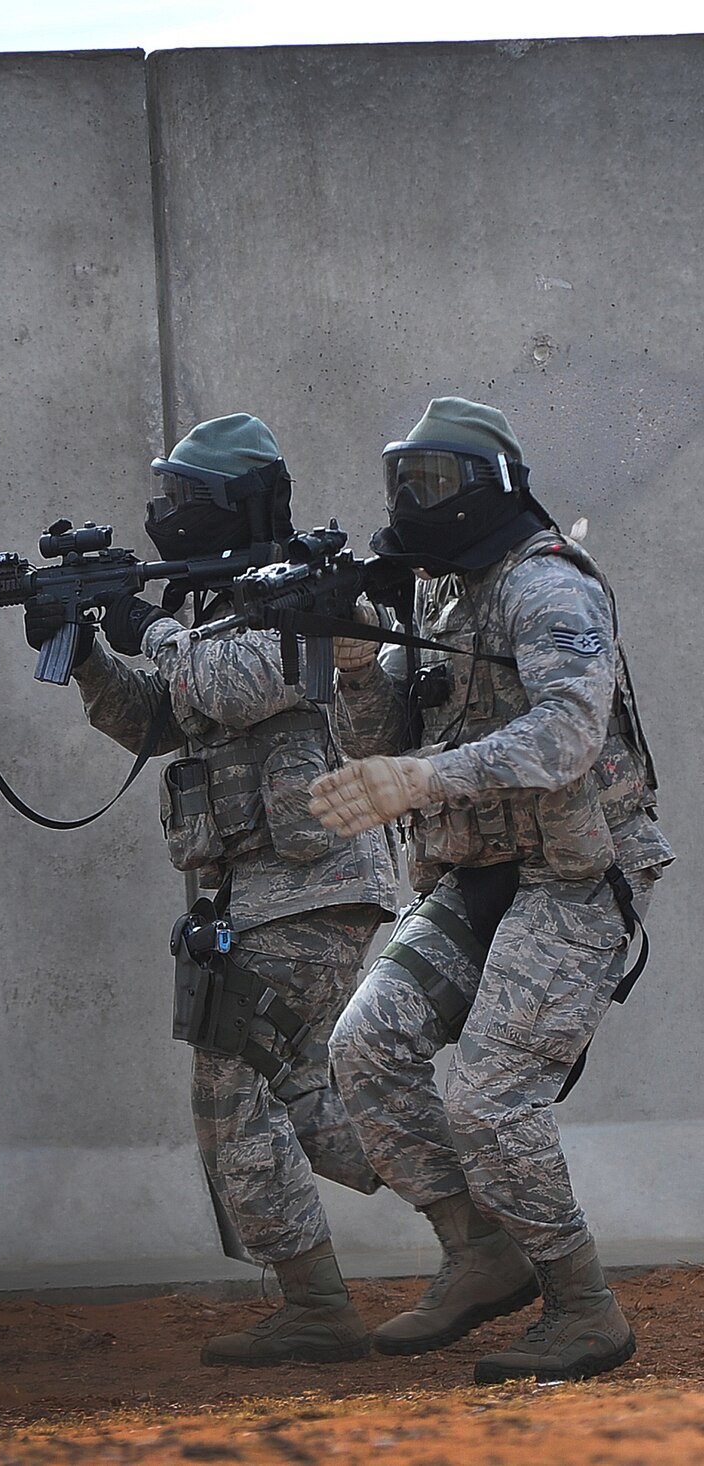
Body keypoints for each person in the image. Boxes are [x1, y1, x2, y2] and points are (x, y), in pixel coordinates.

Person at [27, 414, 400, 1366]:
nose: (168, 516)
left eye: (188, 499)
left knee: (231, 1086)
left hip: (310, 885)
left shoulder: (299, 597)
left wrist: (140, 620)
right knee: (316, 1101)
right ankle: (490, 1214)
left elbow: (233, 688)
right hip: (253, 895)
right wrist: (87, 656)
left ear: (237, 504)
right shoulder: (200, 614)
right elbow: (160, 720)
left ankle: (320, 1305)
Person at [314, 397, 671, 1383]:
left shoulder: (547, 586)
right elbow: (378, 736)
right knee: (364, 1047)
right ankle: (481, 1249)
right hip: (475, 874)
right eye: (402, 478)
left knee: (484, 1095)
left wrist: (424, 778)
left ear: (485, 489)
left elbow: (564, 736)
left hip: (570, 875)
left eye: (431, 481)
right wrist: (350, 662)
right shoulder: (440, 595)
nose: (410, 501)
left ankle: (580, 1305)